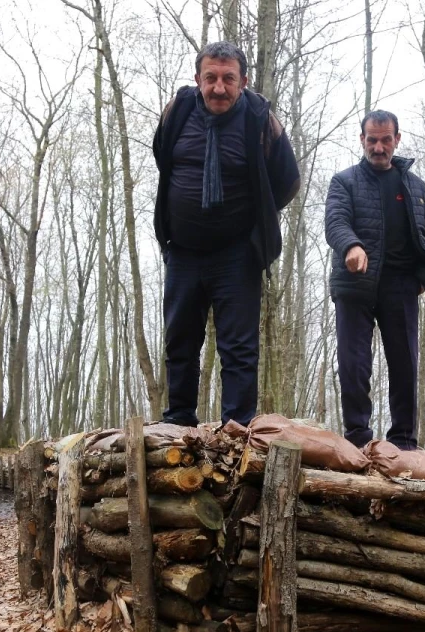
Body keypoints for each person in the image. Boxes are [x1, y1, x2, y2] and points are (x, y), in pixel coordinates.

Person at [152, 41, 301, 427]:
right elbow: (162, 157)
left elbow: (286, 180)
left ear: (244, 81)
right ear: (198, 79)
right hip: (183, 251)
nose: (219, 88)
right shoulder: (178, 112)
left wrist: (254, 224)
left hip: (237, 255)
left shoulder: (259, 118)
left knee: (238, 349)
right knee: (180, 342)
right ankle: (177, 422)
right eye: (211, 78)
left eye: (228, 79)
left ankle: (235, 429)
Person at [324, 110, 425, 450]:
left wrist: (424, 276)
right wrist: (352, 246)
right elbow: (336, 221)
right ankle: (358, 439)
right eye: (371, 140)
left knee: (405, 364)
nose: (378, 147)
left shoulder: (416, 187)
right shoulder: (344, 181)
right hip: (355, 281)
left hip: (401, 285)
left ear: (397, 139)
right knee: (354, 364)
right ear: (362, 140)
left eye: (385, 140)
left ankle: (403, 440)